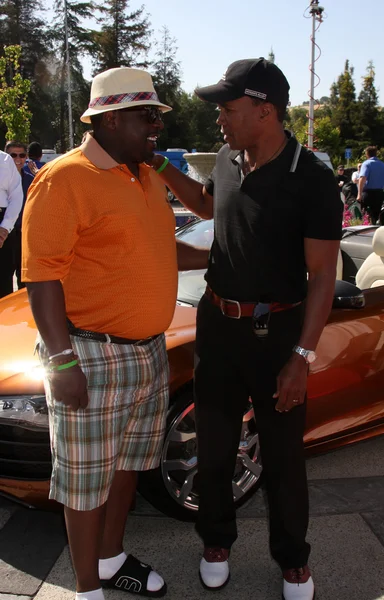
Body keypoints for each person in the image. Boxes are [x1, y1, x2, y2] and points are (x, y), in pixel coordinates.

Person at [151, 57, 343, 600]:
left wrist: (301, 357)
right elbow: (210, 207)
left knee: (282, 456)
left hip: (278, 333)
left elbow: (324, 275)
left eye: (228, 109)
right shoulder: (232, 160)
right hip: (218, 325)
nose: (219, 118)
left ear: (265, 110)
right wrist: (161, 168)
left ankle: (293, 561)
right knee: (214, 444)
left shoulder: (312, 178)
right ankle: (215, 541)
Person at [22, 66, 208, 600]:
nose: (156, 126)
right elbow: (41, 276)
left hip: (149, 352)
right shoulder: (65, 178)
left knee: (127, 471)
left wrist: (227, 256)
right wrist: (60, 363)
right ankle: (86, 590)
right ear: (108, 119)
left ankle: (111, 559)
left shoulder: (144, 174)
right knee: (84, 485)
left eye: (157, 116)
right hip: (90, 354)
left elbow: (160, 247)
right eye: (146, 116)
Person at [5, 141, 35, 289]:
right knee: (4, 276)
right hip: (6, 234)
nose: (18, 159)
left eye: (22, 155)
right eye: (13, 155)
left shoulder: (32, 180)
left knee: (24, 277)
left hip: (25, 235)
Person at [0, 149, 23, 298]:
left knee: (3, 281)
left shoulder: (5, 160)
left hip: (2, 221)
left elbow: (16, 196)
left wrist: (5, 228)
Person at [357, 146, 384, 224]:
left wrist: (359, 194)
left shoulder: (366, 164)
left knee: (365, 216)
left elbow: (362, 178)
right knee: (376, 216)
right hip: (379, 194)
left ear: (367, 154)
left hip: (368, 193)